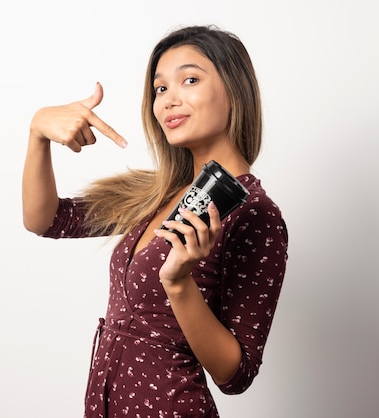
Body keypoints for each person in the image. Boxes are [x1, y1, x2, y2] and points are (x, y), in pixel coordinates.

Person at [22, 24, 288, 418]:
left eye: (190, 80)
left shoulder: (254, 213)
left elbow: (236, 374)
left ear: (235, 91)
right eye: (160, 89)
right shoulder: (157, 194)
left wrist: (179, 285)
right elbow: (47, 220)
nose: (168, 100)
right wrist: (38, 131)